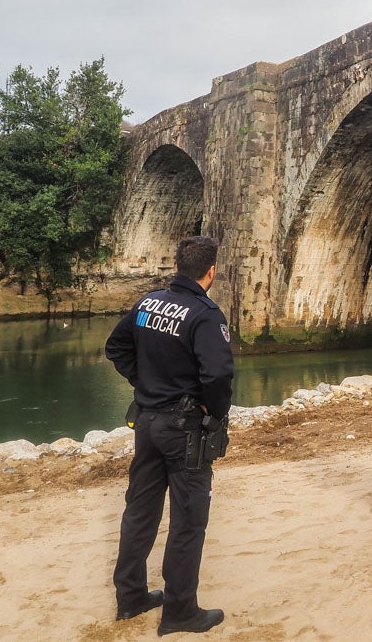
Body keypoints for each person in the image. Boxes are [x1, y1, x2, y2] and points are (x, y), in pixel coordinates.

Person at [106, 235, 233, 636]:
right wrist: (214, 413)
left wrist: (143, 383)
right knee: (189, 521)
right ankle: (180, 612)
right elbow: (218, 375)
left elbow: (116, 347)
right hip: (185, 429)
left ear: (178, 266)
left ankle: (131, 597)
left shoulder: (148, 303)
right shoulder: (204, 314)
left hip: (147, 421)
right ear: (210, 271)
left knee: (140, 510)